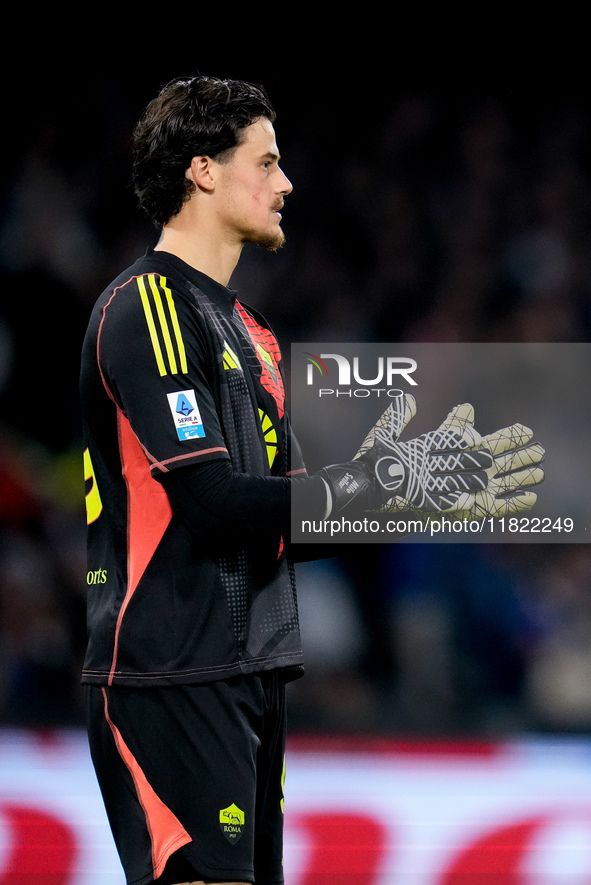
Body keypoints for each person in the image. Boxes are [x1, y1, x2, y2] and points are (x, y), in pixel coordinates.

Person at [80, 75, 543, 885]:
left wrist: (410, 494)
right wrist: (370, 480)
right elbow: (215, 505)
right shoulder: (145, 306)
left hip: (250, 673)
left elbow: (292, 523)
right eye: (266, 162)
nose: (286, 183)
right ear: (203, 171)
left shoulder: (252, 332)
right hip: (167, 673)